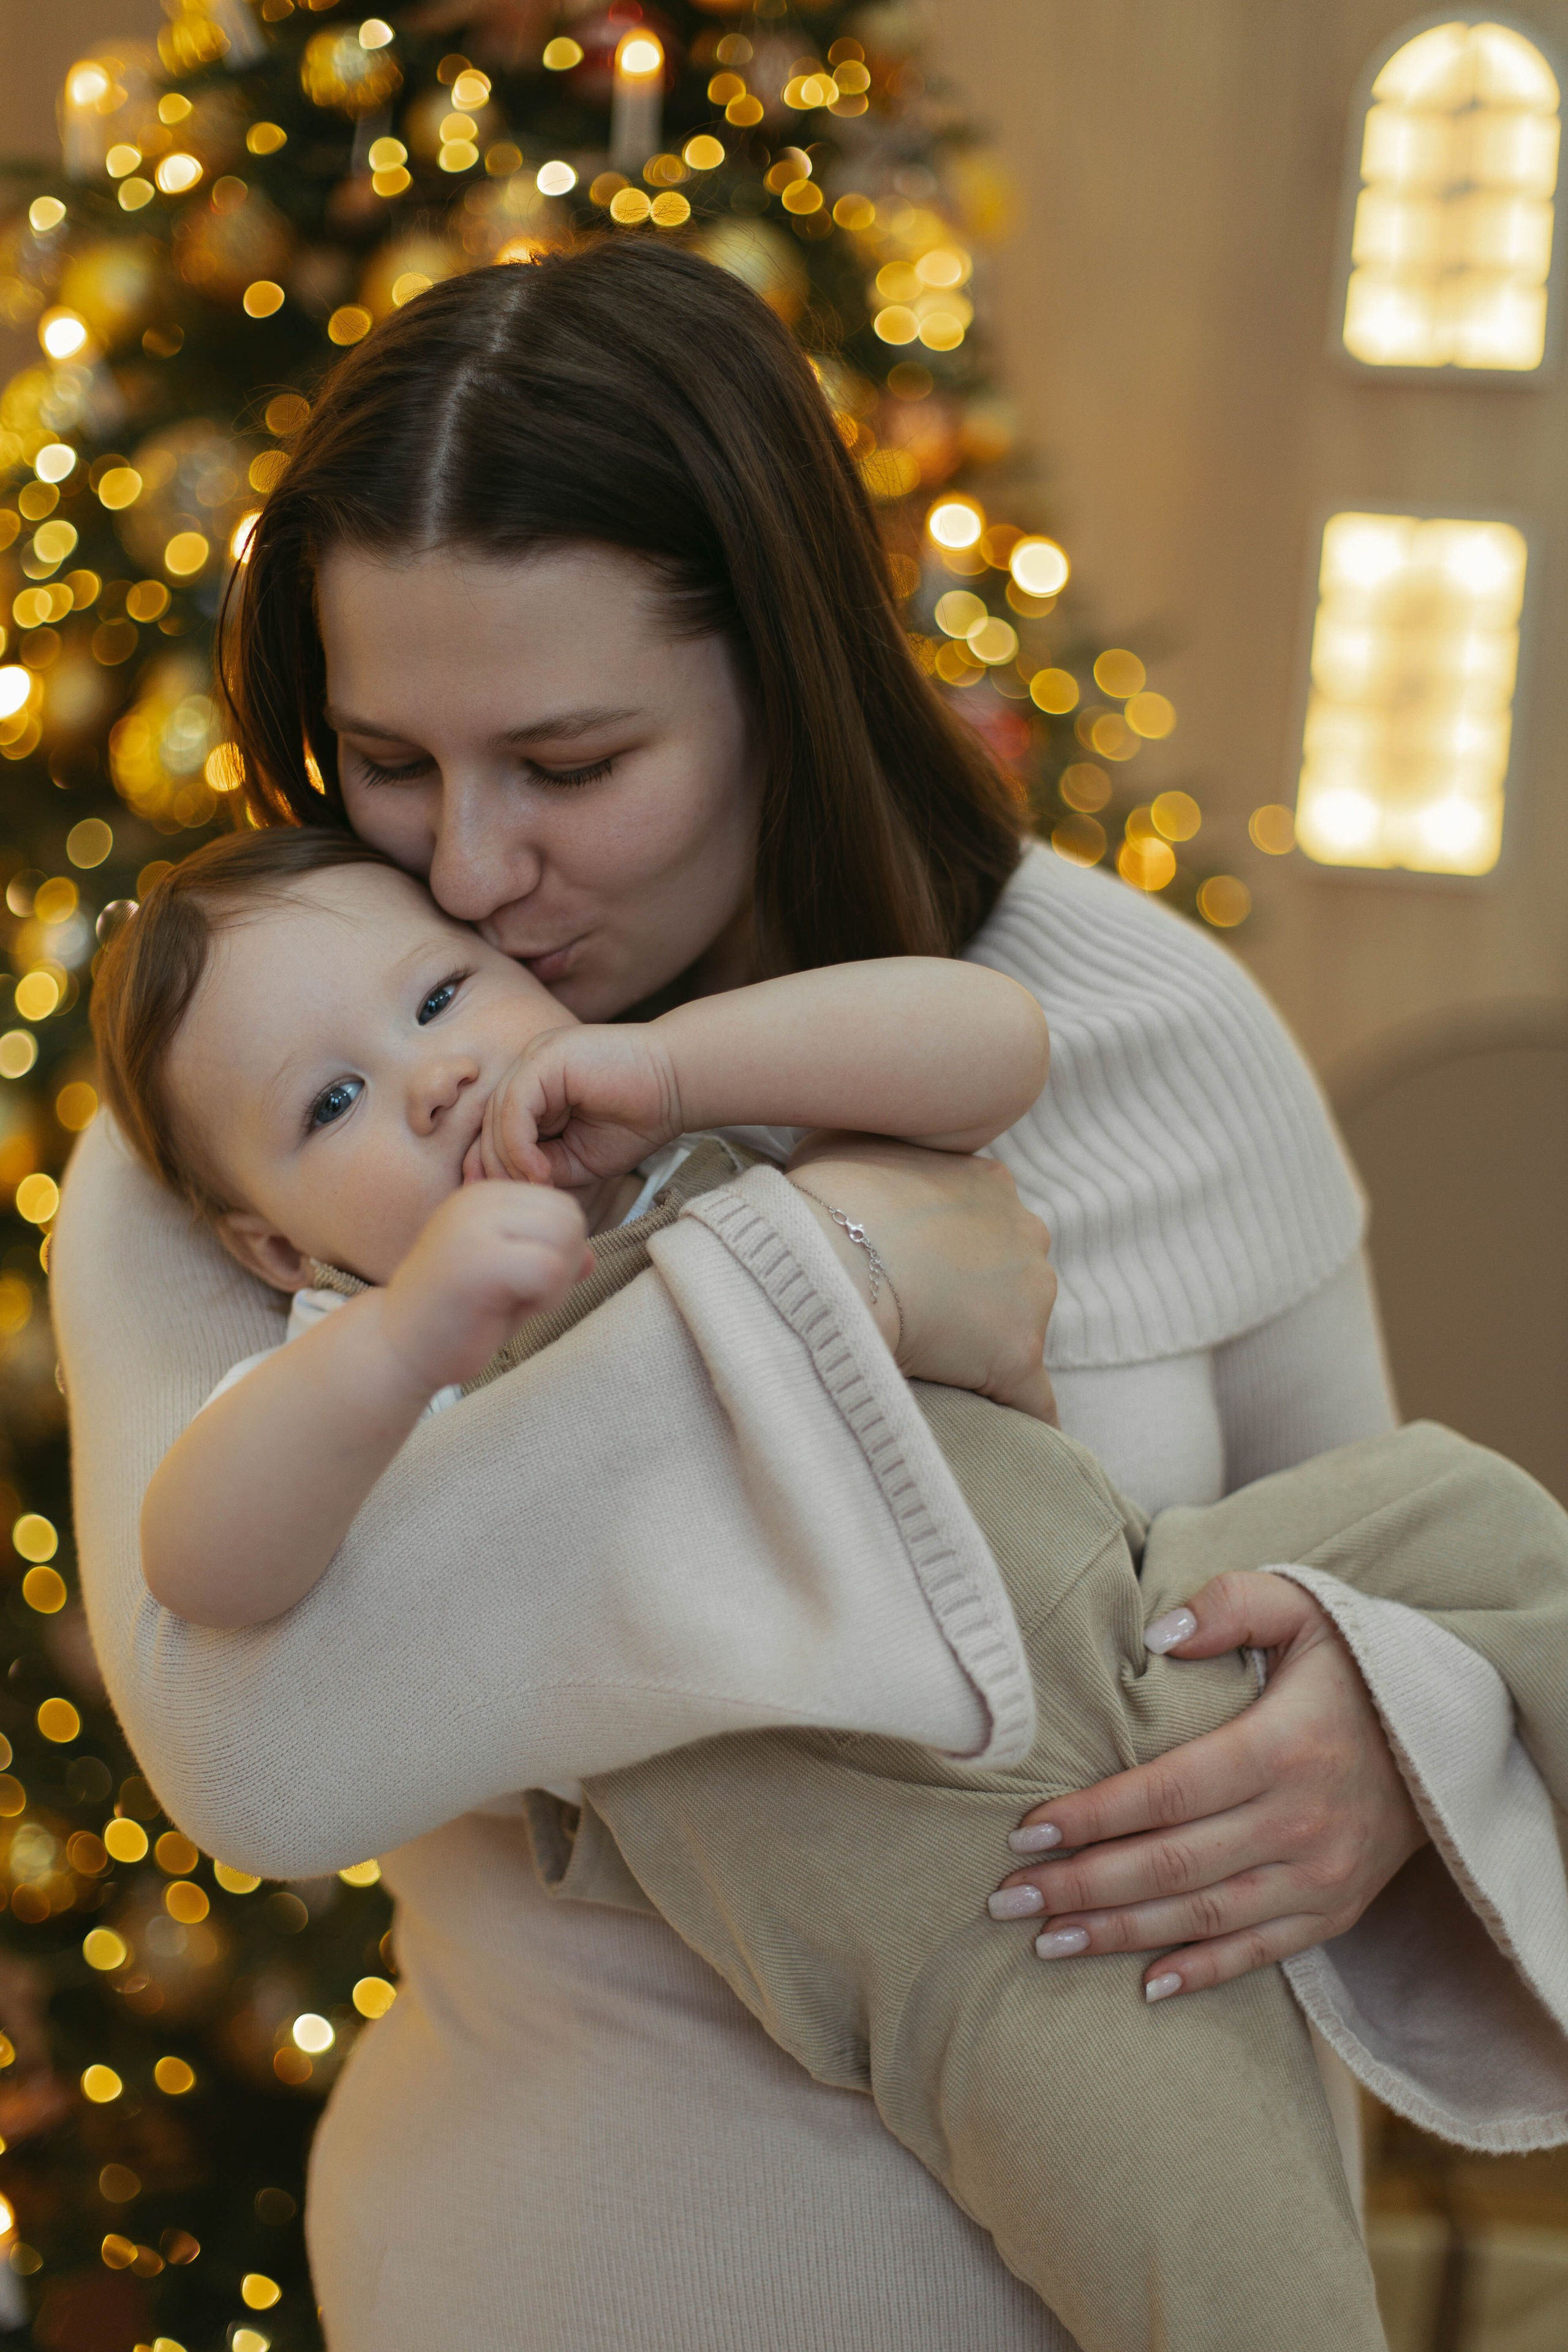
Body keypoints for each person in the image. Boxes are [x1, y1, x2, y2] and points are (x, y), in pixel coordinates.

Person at [53, 244, 1568, 2351]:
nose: (473, 868)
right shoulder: (255, 1145)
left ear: (784, 674)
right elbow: (261, 1765)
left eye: (569, 766)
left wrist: (1390, 1749)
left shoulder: (1142, 1033)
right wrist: (828, 1272)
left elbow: (1402, 1543)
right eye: (391, 760)